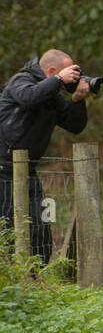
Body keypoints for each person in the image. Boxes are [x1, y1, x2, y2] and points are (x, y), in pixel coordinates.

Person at [0, 50, 90, 262]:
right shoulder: (20, 81)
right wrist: (58, 80)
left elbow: (75, 126)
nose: (71, 78)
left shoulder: (52, 95)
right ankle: (11, 276)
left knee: (40, 230)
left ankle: (37, 276)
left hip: (28, 171)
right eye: (68, 72)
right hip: (3, 170)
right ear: (51, 71)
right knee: (8, 230)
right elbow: (29, 98)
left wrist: (77, 100)